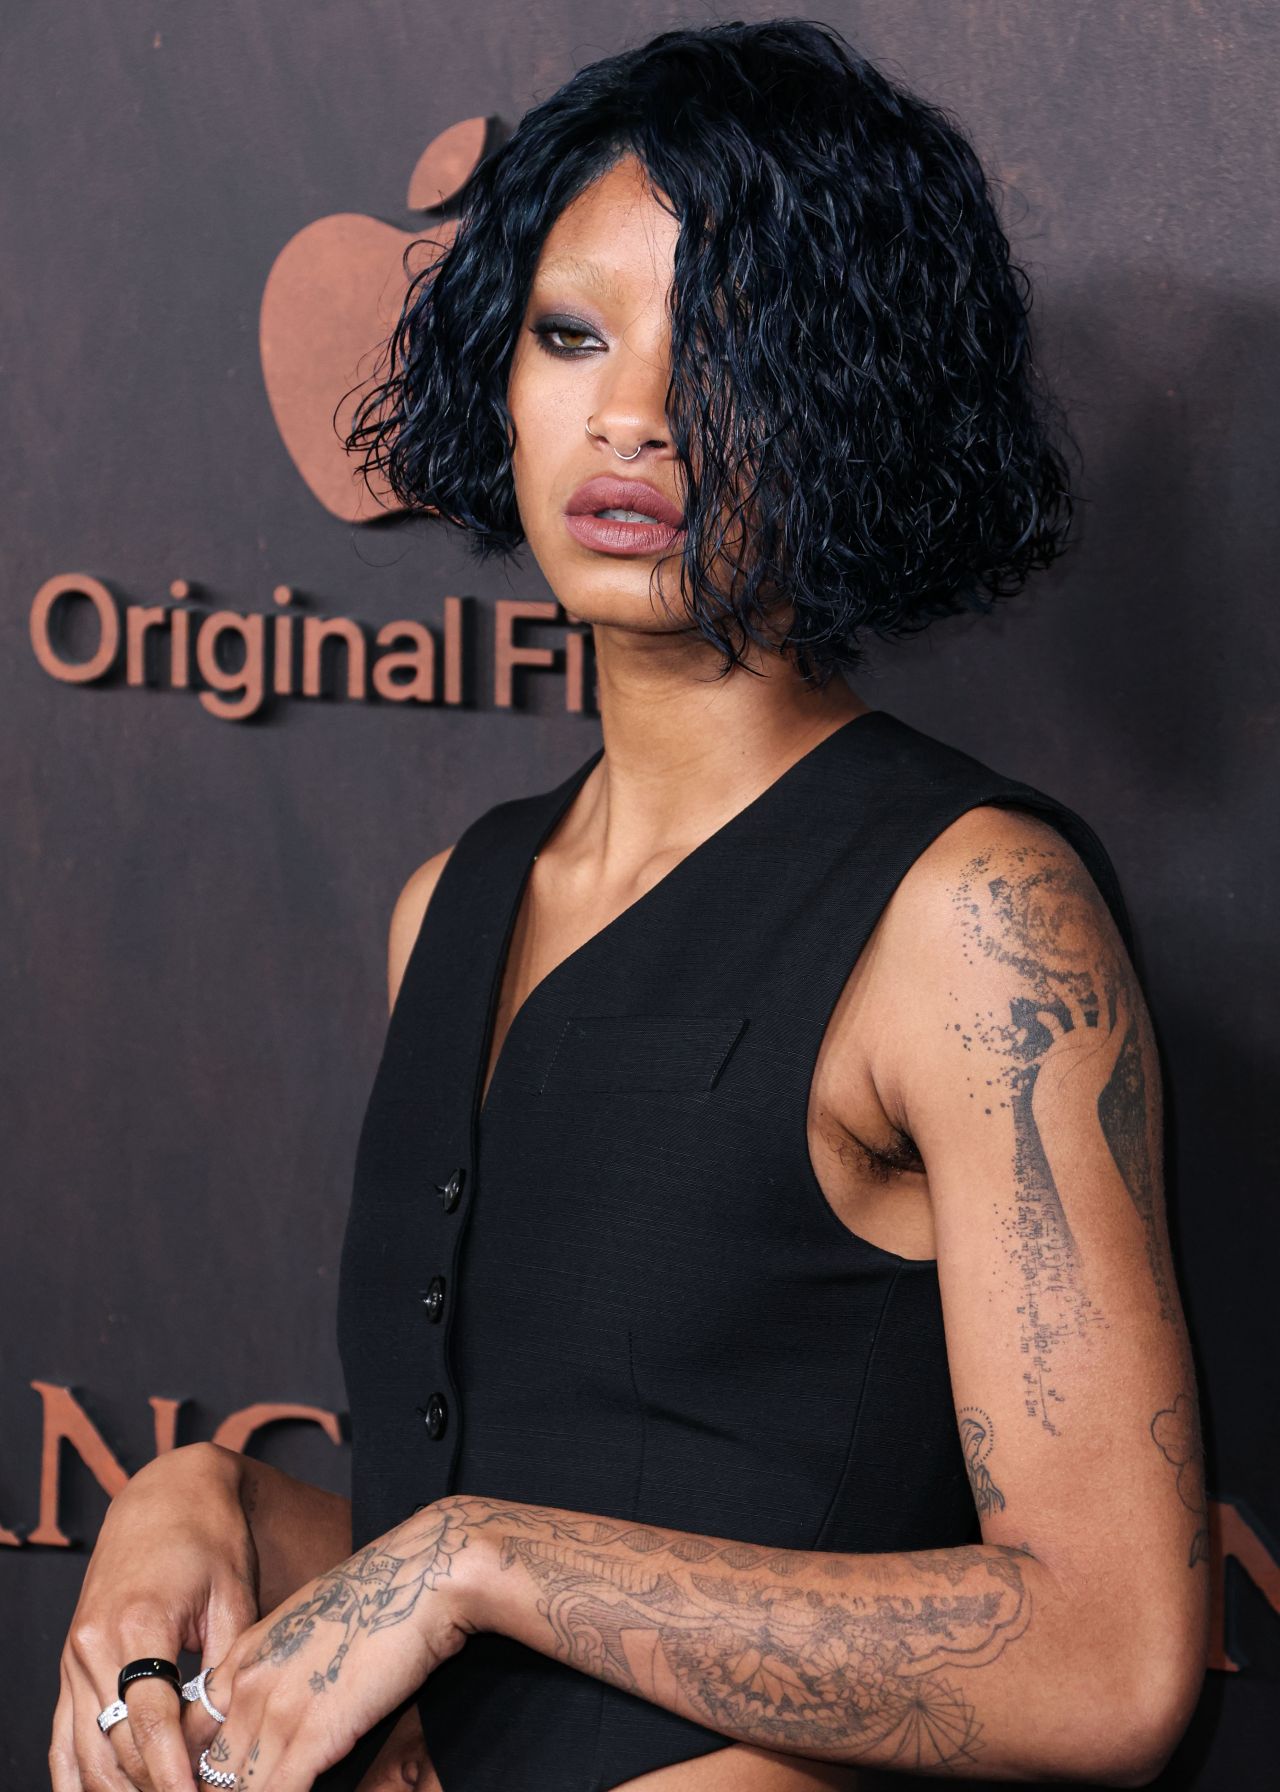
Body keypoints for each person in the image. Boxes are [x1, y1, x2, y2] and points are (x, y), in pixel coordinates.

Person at [52, 18, 1210, 1792]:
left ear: (859, 404)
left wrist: (478, 1560)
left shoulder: (975, 914)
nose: (633, 415)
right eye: (570, 333)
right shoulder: (450, 904)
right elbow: (537, 1586)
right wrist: (205, 1501)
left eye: (732, 346)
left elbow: (1113, 1660)